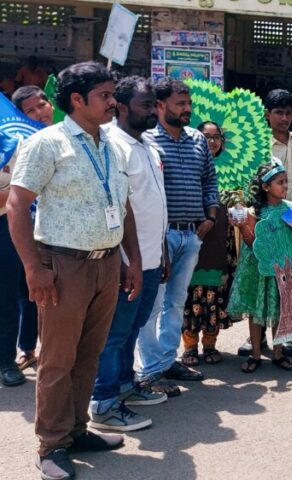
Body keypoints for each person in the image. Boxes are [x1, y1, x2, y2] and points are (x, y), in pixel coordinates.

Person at [7, 61, 141, 480]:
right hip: (62, 265)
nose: (112, 102)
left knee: (88, 357)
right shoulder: (47, 143)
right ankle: (51, 443)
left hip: (105, 265)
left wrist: (130, 259)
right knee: (58, 361)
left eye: (112, 94)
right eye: (104, 95)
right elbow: (16, 206)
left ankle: (77, 429)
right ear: (77, 100)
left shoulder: (114, 146)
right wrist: (34, 267)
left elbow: (123, 206)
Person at [89, 76, 169, 432]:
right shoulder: (113, 146)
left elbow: (154, 202)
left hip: (151, 259)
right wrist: (127, 262)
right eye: (145, 105)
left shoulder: (148, 146)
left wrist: (162, 250)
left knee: (133, 327)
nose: (153, 111)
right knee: (114, 334)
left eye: (154, 104)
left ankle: (123, 385)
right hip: (126, 264)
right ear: (121, 107)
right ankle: (103, 402)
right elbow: (117, 208)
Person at [137, 79, 218, 393]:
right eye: (180, 104)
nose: (187, 109)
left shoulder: (198, 139)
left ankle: (167, 360)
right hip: (159, 237)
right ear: (160, 105)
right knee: (153, 305)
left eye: (188, 103)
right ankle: (149, 370)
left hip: (191, 234)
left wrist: (210, 216)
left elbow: (209, 181)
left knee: (176, 303)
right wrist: (156, 234)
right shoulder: (146, 141)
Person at [229, 162, 292, 373]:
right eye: (280, 182)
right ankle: (255, 354)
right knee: (257, 311)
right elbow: (252, 243)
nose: (285, 185)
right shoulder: (253, 211)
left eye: (286, 181)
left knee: (280, 309)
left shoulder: (291, 207)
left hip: (283, 268)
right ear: (266, 187)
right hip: (259, 268)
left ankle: (278, 353)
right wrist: (242, 227)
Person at [1, 86, 54, 378]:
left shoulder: (67, 137)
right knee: (13, 293)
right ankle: (11, 359)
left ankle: (40, 352)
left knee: (44, 295)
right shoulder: (12, 143)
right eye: (30, 111)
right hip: (14, 227)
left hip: (53, 232)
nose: (39, 113)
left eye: (42, 105)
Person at [183, 120, 237, 367]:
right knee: (190, 294)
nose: (212, 142)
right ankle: (190, 346)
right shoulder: (189, 166)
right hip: (195, 236)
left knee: (214, 293)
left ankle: (210, 344)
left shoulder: (234, 170)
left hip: (220, 242)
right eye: (206, 137)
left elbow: (240, 201)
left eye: (216, 138)